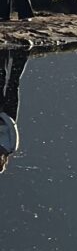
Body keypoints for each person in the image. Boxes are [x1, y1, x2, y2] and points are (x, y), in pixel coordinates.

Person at [0, 41, 28, 171]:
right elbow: (12, 127)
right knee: (13, 83)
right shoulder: (11, 147)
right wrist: (4, 116)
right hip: (9, 115)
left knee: (0, 80)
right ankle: (23, 53)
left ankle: (3, 53)